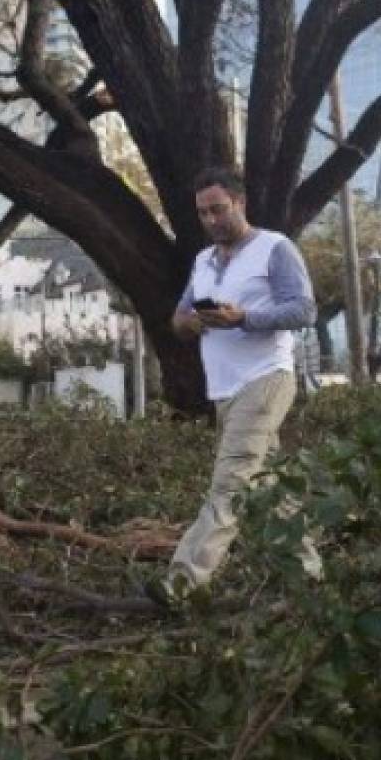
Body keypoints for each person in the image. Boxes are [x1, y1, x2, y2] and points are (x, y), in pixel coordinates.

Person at [154, 165, 321, 603]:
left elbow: (303, 311)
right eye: (203, 213)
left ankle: (181, 584)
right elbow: (177, 319)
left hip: (266, 378)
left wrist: (244, 318)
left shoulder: (274, 249)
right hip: (224, 390)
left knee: (228, 484)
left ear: (239, 203)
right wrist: (193, 322)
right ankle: (310, 580)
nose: (211, 220)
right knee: (270, 488)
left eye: (218, 210)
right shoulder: (202, 262)